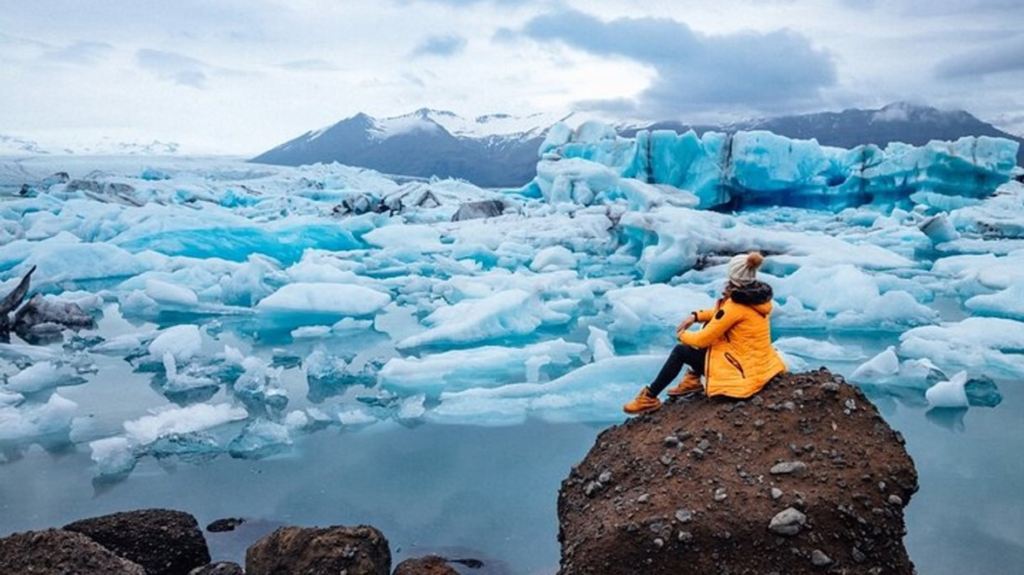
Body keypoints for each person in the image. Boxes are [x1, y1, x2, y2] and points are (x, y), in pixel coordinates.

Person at [623, 252, 786, 415]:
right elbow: (721, 314)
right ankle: (694, 378)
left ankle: (649, 398)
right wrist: (696, 316)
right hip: (757, 365)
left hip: (740, 373)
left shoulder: (735, 306)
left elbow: (702, 340)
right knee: (711, 327)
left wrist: (681, 334)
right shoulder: (755, 299)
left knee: (681, 351)